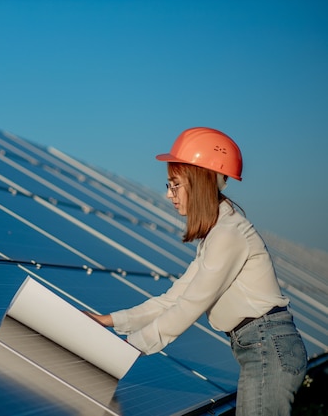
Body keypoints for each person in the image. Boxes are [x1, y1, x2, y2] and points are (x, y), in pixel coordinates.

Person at [84, 127, 307, 415]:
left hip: (268, 346)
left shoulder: (229, 235)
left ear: (199, 181)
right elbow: (174, 298)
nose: (169, 195)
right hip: (262, 346)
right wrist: (108, 320)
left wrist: (130, 347)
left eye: (174, 185)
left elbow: (189, 307)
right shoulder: (216, 235)